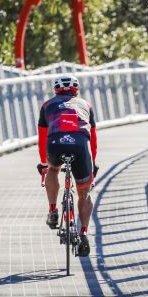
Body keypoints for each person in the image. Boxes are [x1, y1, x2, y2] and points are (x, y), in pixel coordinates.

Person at [36, 75, 98, 257]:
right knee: (84, 192)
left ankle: (53, 209)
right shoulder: (86, 106)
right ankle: (84, 232)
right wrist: (92, 165)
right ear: (76, 90)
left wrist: (43, 164)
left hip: (55, 143)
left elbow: (42, 138)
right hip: (80, 144)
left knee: (53, 169)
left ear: (55, 90)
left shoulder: (47, 106)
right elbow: (93, 141)